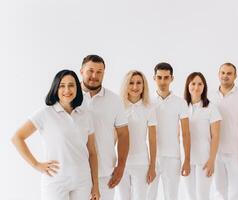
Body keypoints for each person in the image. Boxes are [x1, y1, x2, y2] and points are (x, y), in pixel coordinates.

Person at [11, 69, 99, 200]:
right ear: (55, 88)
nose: (67, 90)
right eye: (62, 86)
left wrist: (96, 185)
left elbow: (92, 152)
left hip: (82, 180)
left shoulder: (86, 116)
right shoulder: (45, 114)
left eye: (71, 85)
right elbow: (17, 137)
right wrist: (36, 164)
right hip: (55, 180)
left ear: (77, 88)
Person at [80, 54, 130, 200]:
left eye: (99, 72)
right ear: (81, 71)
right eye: (90, 70)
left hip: (104, 175)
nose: (94, 76)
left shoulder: (114, 100)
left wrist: (121, 166)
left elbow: (123, 134)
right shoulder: (69, 96)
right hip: (76, 174)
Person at [210, 63, 238, 200]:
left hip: (237, 151)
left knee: (237, 190)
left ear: (235, 76)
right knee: (219, 190)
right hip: (215, 151)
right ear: (218, 75)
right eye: (222, 73)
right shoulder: (210, 96)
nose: (225, 76)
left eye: (229, 73)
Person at [148, 62, 191, 200]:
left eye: (166, 77)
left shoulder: (180, 103)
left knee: (171, 196)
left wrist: (187, 160)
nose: (162, 81)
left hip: (173, 157)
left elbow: (185, 133)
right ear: (154, 78)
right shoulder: (147, 102)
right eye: (159, 77)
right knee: (148, 196)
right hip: (149, 157)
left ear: (172, 78)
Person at [118, 70, 157, 200]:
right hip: (121, 162)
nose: (135, 87)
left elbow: (152, 139)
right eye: (131, 83)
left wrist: (152, 166)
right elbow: (113, 136)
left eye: (139, 83)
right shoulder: (119, 107)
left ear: (143, 85)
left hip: (141, 162)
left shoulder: (149, 108)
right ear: (126, 85)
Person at [183, 72, 221, 200]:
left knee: (202, 196)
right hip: (186, 159)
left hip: (204, 159)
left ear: (204, 87)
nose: (196, 87)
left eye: (200, 84)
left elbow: (216, 136)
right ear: (188, 86)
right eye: (193, 83)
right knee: (190, 196)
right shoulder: (182, 107)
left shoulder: (211, 108)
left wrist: (211, 160)